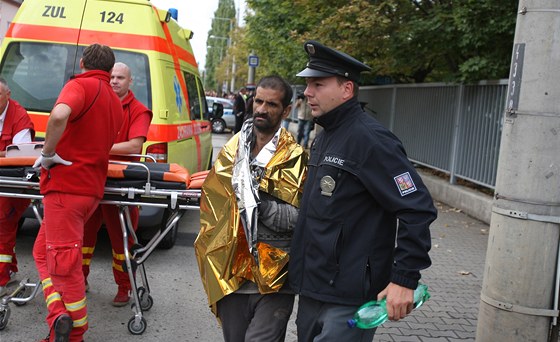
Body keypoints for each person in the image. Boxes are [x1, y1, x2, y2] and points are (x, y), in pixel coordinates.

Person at [288, 40, 437, 342]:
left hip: (348, 298)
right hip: (314, 289)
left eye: (318, 84)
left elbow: (417, 207)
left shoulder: (371, 140)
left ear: (347, 90)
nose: (307, 92)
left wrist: (404, 278)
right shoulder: (326, 135)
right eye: (307, 84)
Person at [194, 75, 308, 342]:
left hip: (275, 278)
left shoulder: (296, 156)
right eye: (258, 101)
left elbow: (303, 219)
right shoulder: (234, 147)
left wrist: (259, 206)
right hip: (231, 271)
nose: (261, 109)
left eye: (271, 104)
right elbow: (214, 201)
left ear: (286, 110)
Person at [32, 43, 123, 342]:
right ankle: (59, 314)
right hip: (90, 191)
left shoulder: (80, 86)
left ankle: (74, 333)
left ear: (82, 61)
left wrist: (48, 153)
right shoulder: (113, 100)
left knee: (63, 265)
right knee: (42, 253)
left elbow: (59, 116)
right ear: (110, 71)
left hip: (66, 188)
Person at [82, 62, 152, 306]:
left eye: (120, 77)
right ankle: (79, 280)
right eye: (111, 76)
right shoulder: (97, 101)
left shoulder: (138, 110)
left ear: (130, 81)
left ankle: (125, 288)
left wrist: (98, 149)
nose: (114, 81)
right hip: (91, 178)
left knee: (121, 240)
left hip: (122, 185)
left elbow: (135, 145)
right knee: (82, 237)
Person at [0, 78, 35, 297]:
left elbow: (20, 155)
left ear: (8, 95)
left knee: (3, 223)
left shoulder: (19, 117)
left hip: (13, 184)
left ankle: (2, 275)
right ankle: (9, 267)